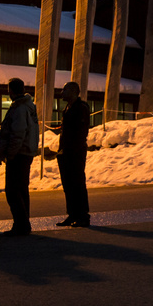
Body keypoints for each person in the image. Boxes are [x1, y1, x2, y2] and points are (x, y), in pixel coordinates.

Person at [0, 77, 38, 236]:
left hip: (19, 154)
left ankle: (21, 224)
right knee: (21, 189)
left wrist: (9, 153)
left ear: (11, 90)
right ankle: (23, 222)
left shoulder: (19, 109)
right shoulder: (29, 106)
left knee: (13, 191)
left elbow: (18, 134)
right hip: (26, 153)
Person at [56, 81, 91, 228]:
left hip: (75, 152)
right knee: (68, 185)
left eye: (65, 90)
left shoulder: (81, 108)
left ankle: (83, 215)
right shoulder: (68, 108)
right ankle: (72, 214)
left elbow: (81, 133)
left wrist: (72, 150)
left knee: (77, 183)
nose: (61, 93)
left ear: (73, 91)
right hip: (66, 152)